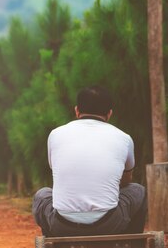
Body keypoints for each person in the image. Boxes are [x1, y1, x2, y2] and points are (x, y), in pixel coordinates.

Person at [32, 86, 147, 237]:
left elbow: (57, 171)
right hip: (109, 224)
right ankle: (131, 243)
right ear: (109, 114)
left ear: (77, 111)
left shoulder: (55, 135)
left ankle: (54, 243)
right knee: (138, 190)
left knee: (42, 194)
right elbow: (126, 180)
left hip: (62, 225)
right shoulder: (124, 138)